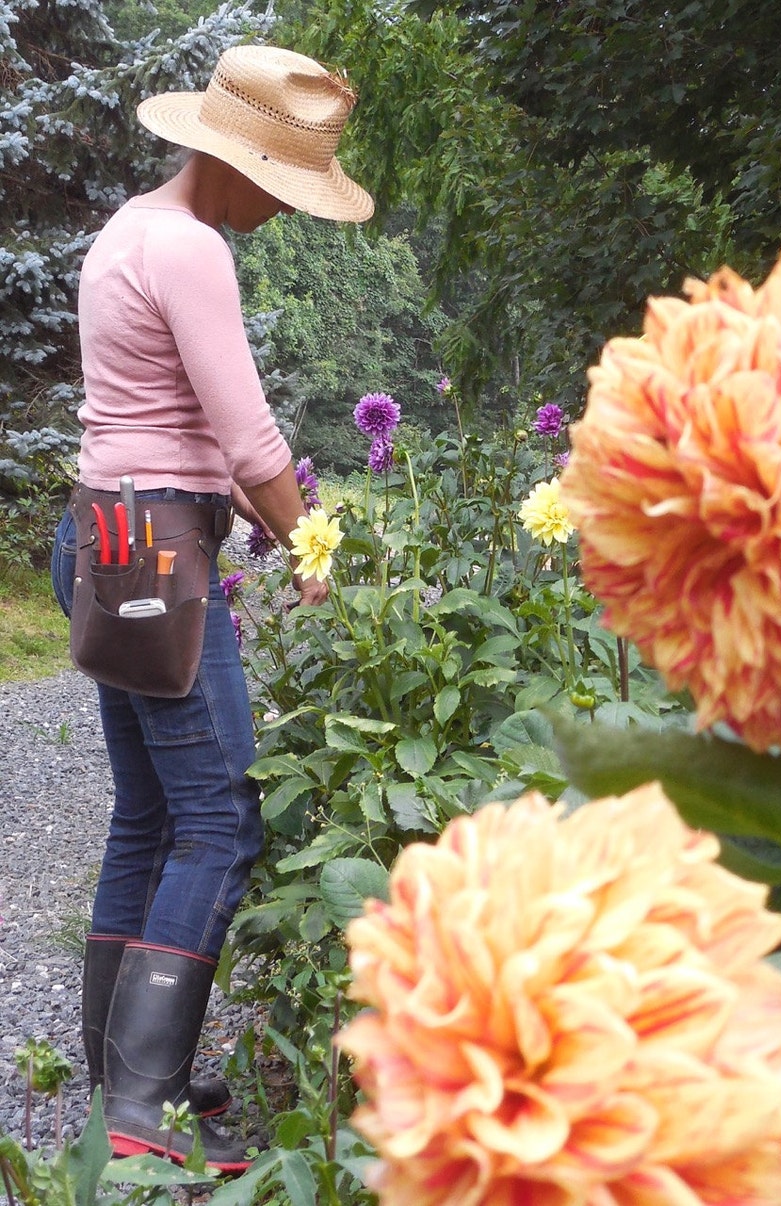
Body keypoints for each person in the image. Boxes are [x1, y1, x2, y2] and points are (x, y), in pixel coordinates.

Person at [50, 44, 373, 1174]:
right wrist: (311, 543)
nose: (280, 215)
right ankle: (145, 1110)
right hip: (155, 556)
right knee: (223, 817)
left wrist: (253, 503)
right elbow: (245, 437)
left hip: (103, 535)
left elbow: (174, 426)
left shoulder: (132, 227)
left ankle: (125, 1080)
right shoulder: (189, 250)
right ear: (233, 159)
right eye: (278, 188)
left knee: (149, 813)